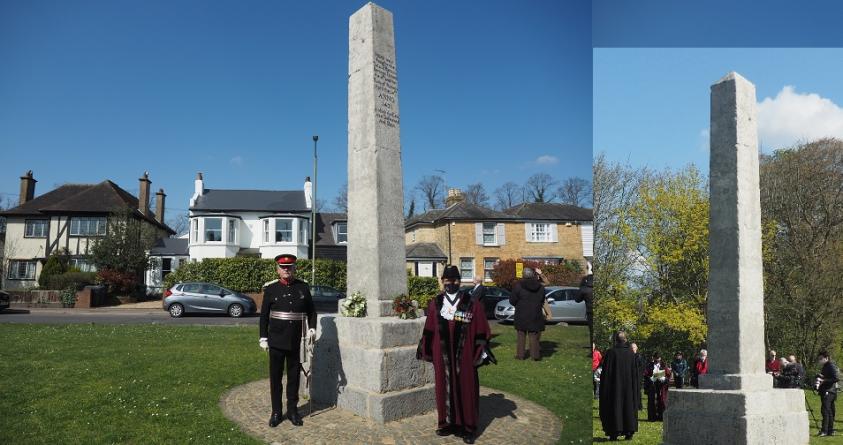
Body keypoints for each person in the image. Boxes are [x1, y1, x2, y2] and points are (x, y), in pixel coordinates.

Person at [417, 265, 491, 444]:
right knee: (444, 388)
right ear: (442, 281)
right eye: (448, 280)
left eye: (455, 280)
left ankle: (468, 427)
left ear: (460, 281)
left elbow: (480, 327)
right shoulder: (435, 303)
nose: (451, 283)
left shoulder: (471, 302)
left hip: (464, 355)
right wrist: (427, 350)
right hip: (442, 356)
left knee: (466, 388)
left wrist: (479, 351)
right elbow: (429, 328)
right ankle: (447, 423)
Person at [259, 254, 317, 427]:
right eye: (283, 267)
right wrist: (263, 337)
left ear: (294, 268)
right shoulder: (271, 289)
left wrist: (313, 328)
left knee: (294, 378)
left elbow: (311, 312)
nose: (286, 269)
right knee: (275, 378)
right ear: (277, 269)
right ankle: (276, 412)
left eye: (289, 267)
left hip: (295, 340)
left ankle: (292, 410)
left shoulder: (303, 287)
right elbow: (264, 317)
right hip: (276, 340)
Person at [599, 331, 640, 441]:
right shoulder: (631, 354)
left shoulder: (611, 353)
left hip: (614, 388)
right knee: (628, 406)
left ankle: (614, 431)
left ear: (616, 340)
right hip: (628, 389)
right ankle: (629, 431)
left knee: (615, 406)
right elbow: (635, 374)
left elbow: (606, 374)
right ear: (626, 340)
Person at [509, 267, 547, 361]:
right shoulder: (540, 286)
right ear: (533, 275)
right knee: (533, 335)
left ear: (523, 275)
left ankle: (520, 355)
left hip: (522, 313)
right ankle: (535, 356)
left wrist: (519, 304)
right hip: (535, 313)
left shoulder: (518, 286)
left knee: (521, 334)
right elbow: (542, 299)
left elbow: (512, 300)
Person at [816, 351, 839, 437]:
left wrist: (824, 380)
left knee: (825, 411)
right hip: (828, 391)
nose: (819, 360)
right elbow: (828, 377)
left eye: (821, 358)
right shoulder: (825, 366)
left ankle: (824, 431)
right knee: (829, 411)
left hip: (829, 391)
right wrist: (820, 377)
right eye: (819, 359)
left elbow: (836, 378)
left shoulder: (830, 365)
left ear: (826, 358)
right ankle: (830, 431)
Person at [645, 353, 671, 421]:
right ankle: (652, 417)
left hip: (661, 386)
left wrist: (664, 379)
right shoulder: (650, 365)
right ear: (653, 358)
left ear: (660, 358)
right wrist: (650, 378)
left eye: (658, 358)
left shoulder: (663, 365)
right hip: (652, 385)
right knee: (652, 401)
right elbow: (646, 374)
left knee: (662, 400)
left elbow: (668, 374)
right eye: (656, 358)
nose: (657, 359)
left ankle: (661, 416)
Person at [575, 271, 594, 345]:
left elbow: (577, 299)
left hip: (590, 311)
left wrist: (581, 286)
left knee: (592, 331)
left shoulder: (585, 289)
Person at [631, 342, 645, 410]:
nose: (632, 349)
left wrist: (639, 376)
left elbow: (642, 368)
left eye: (633, 347)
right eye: (631, 347)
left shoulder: (639, 357)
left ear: (636, 348)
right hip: (631, 377)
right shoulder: (629, 356)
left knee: (637, 391)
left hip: (638, 377)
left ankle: (639, 406)